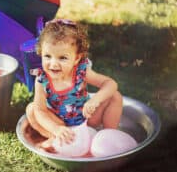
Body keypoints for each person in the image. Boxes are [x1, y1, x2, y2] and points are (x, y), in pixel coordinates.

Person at [25, 19, 123, 148]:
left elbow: (110, 83)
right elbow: (41, 111)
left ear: (76, 58)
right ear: (40, 53)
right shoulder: (42, 80)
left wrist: (95, 101)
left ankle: (107, 137)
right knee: (32, 109)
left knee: (115, 96)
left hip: (86, 118)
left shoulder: (81, 71)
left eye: (63, 58)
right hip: (59, 123)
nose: (53, 64)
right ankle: (55, 138)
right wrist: (56, 129)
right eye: (47, 56)